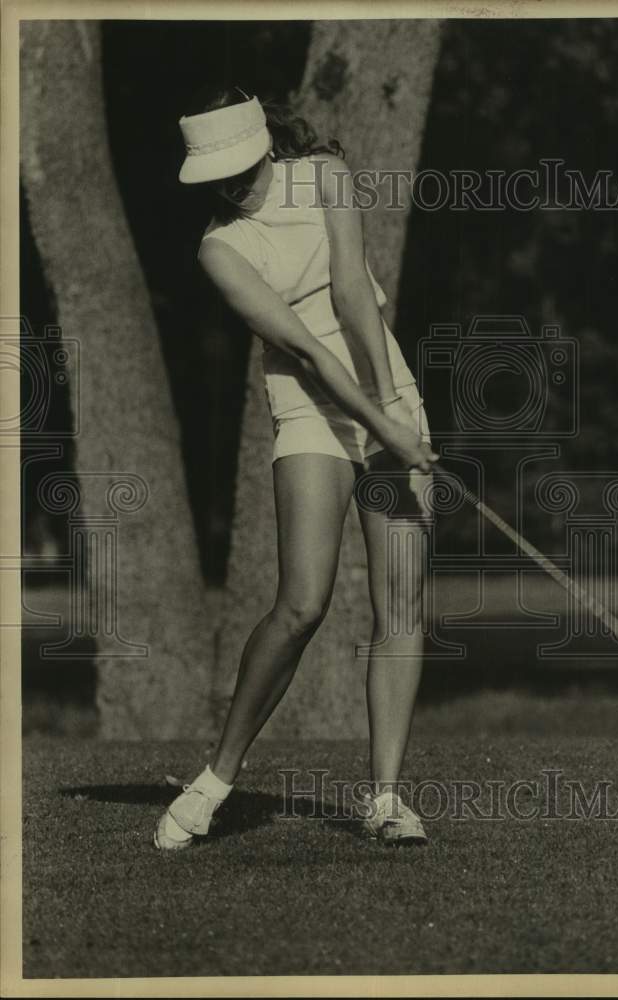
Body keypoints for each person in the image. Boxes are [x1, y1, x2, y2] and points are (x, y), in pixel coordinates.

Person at [154, 86, 438, 851]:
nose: (231, 184)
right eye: (216, 173)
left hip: (384, 382)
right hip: (309, 406)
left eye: (241, 165)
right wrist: (378, 423)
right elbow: (309, 350)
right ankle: (214, 779)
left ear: (265, 144)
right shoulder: (220, 249)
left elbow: (352, 295)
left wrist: (392, 407)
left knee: (402, 601)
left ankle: (385, 799)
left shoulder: (325, 175)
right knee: (303, 602)